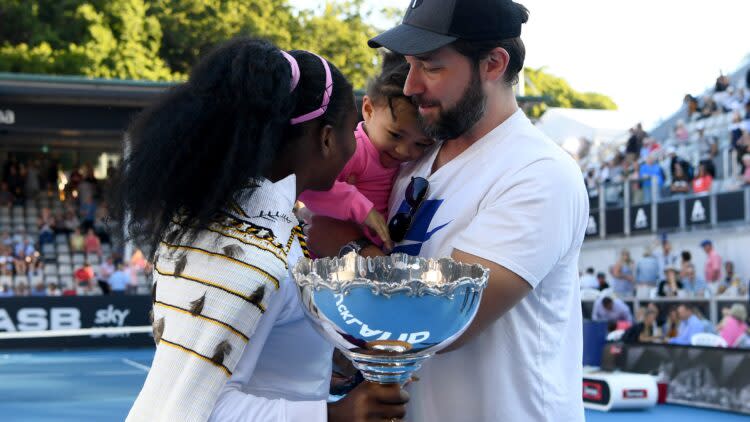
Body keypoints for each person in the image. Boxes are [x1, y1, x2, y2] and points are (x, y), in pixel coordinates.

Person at [325, 1, 588, 420]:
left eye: (430, 66)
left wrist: (349, 261)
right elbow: (323, 220)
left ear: (493, 64)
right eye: (409, 65)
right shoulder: (411, 155)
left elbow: (446, 317)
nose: (410, 85)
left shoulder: (539, 173)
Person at [121, 38, 406, 422]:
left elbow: (265, 348)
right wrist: (336, 414)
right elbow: (199, 410)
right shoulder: (254, 252)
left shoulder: (232, 222)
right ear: (324, 139)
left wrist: (335, 357)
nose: (356, 145)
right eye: (349, 129)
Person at [298, 52, 434, 252]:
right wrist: (358, 206)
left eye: (421, 144)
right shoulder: (354, 150)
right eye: (395, 135)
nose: (405, 151)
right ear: (369, 110)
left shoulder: (402, 163)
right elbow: (307, 185)